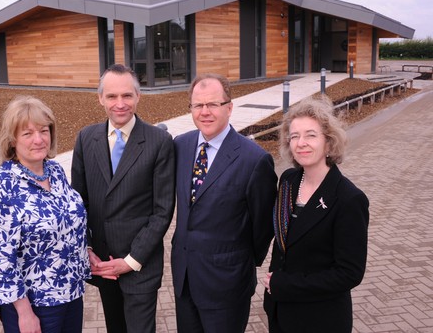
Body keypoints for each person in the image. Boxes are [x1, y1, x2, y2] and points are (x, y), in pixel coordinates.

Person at [71, 64, 176, 333]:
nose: (120, 104)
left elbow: (162, 211)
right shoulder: (86, 138)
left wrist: (130, 261)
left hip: (139, 266)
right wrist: (89, 248)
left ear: (138, 97)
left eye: (127, 96)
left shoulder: (159, 142)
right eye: (112, 96)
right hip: (104, 265)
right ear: (100, 99)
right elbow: (79, 202)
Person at [171, 73, 278, 333]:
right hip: (185, 277)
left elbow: (263, 226)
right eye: (198, 105)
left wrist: (240, 261)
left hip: (227, 283)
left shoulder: (254, 160)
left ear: (229, 108)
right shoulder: (180, 146)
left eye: (213, 104)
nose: (204, 112)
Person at [262, 95, 369, 333]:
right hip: (279, 311)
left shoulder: (349, 199)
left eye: (311, 135)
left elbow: (349, 273)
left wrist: (285, 284)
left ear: (329, 143)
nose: (301, 143)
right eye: (294, 136)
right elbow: (283, 243)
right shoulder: (288, 181)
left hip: (320, 319)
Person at [0, 96, 90, 333]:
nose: (39, 139)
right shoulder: (2, 186)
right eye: (28, 134)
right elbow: (1, 259)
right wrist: (24, 312)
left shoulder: (55, 171)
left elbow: (67, 223)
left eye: (44, 130)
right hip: (36, 306)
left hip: (71, 294)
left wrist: (86, 252)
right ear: (12, 140)